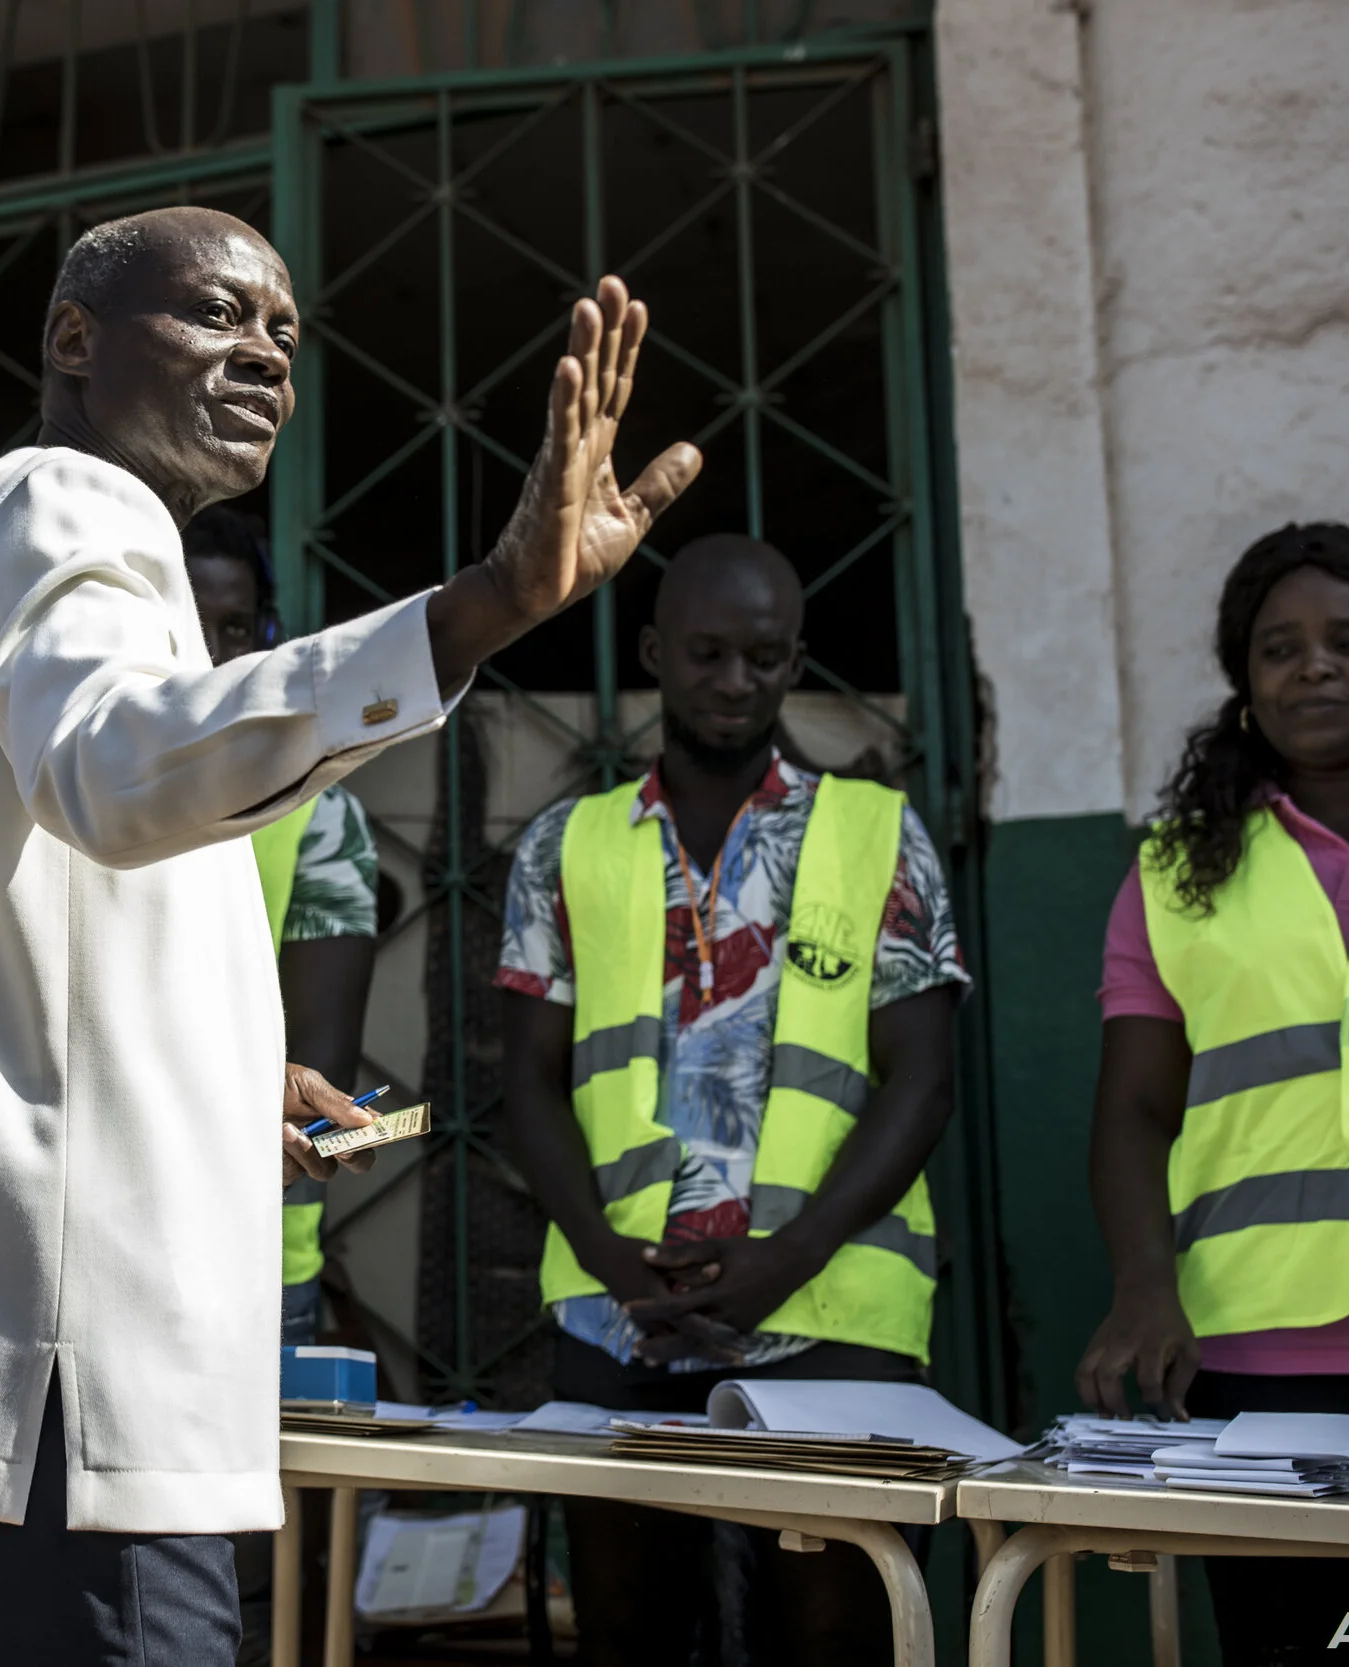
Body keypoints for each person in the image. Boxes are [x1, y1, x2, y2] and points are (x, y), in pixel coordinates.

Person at [0, 206, 701, 1666]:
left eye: (285, 334)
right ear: (75, 340)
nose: (265, 357)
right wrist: (483, 609)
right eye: (215, 315)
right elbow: (119, 772)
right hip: (59, 1370)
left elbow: (51, 913)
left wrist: (231, 1087)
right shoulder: (71, 506)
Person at [499, 533, 967, 1667]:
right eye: (707, 653)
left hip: (831, 1306)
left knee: (832, 1631)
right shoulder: (565, 845)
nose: (734, 681)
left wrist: (789, 1254)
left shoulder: (875, 833)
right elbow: (527, 1081)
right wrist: (615, 1264)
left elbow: (924, 1073)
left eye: (764, 657)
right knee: (631, 1627)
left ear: (795, 660)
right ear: (656, 652)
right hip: (620, 1312)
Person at [1077, 523, 1349, 1666]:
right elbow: (1136, 1107)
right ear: (1243, 683)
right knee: (1293, 1652)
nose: (1315, 666)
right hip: (1258, 1350)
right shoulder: (1176, 873)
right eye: (1277, 647)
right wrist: (1144, 1288)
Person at [181, 505, 383, 1346]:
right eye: (190, 625)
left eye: (239, 628)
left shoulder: (318, 817)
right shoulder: (67, 795)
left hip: (249, 1262)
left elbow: (318, 1081)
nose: (218, 655)